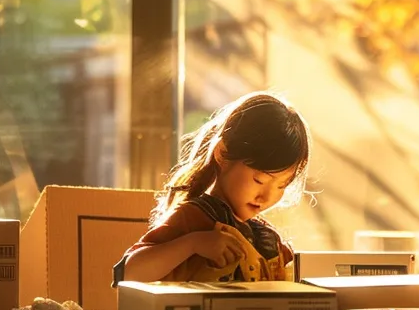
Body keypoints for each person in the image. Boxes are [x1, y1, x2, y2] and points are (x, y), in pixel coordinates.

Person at [113, 91, 310, 285]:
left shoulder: (266, 238)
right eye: (259, 180)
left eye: (281, 185)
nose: (267, 196)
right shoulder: (194, 217)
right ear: (222, 154)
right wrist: (193, 244)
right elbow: (130, 273)